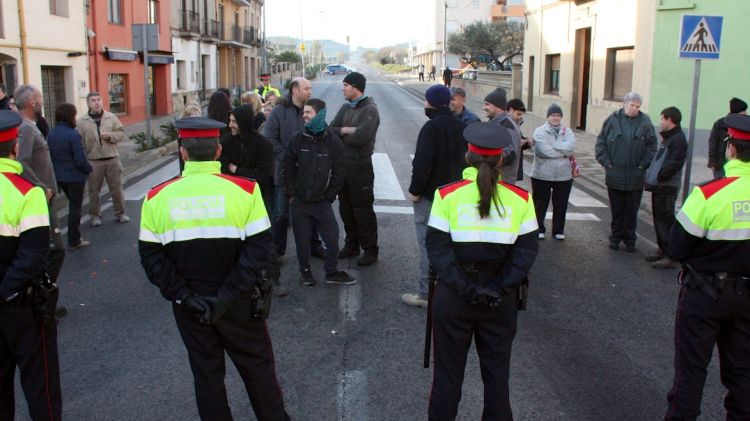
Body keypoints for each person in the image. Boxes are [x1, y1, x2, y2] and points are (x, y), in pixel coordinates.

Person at [139, 117, 291, 421]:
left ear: (182, 152)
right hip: (240, 301)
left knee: (207, 376)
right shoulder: (246, 191)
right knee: (258, 369)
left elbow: (152, 260)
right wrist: (226, 296)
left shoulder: (156, 197)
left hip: (191, 307)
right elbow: (260, 250)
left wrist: (185, 296)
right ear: (218, 150)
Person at [426, 122, 539, 420]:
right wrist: (498, 288)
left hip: (454, 298)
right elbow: (525, 253)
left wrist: (466, 288)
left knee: (447, 379)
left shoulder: (446, 195)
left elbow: (438, 251)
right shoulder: (522, 199)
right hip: (500, 302)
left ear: (468, 157)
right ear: (502, 160)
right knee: (497, 379)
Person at [664, 113, 750, 420]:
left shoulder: (707, 194)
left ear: (730, 149)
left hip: (705, 294)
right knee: (743, 378)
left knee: (691, 374)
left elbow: (677, 247)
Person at [0, 109, 62, 421]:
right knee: (41, 384)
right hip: (21, 302)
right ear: (15, 147)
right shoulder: (28, 192)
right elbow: (35, 253)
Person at [402, 85, 467, 308]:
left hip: (431, 198)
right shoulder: (461, 126)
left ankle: (426, 294)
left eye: (426, 101)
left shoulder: (431, 128)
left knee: (429, 245)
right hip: (457, 196)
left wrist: (415, 191)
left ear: (431, 103)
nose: (424, 105)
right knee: (452, 246)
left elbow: (422, 164)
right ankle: (452, 290)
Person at [283, 98, 354, 286]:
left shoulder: (333, 141)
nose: (304, 116)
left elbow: (340, 171)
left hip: (321, 202)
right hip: (299, 201)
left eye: (308, 112)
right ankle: (305, 272)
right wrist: (290, 194)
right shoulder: (297, 139)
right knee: (302, 240)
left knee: (332, 237)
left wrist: (329, 195)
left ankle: (331, 272)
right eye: (303, 112)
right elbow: (287, 167)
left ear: (320, 115)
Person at [263, 77, 325, 263]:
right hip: (284, 172)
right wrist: (288, 158)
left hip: (307, 173)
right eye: (307, 88)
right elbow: (270, 139)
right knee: (281, 214)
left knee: (312, 212)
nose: (310, 92)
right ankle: (277, 252)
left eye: (311, 88)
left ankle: (314, 246)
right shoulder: (278, 112)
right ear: (295, 91)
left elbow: (322, 135)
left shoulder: (312, 111)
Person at [15, 85, 66, 290]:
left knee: (49, 249)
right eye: (40, 98)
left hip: (46, 196)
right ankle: (44, 297)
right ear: (31, 103)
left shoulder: (30, 125)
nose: (43, 101)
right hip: (42, 197)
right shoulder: (26, 128)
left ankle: (42, 296)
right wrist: (42, 187)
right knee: (55, 249)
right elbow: (22, 163)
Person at [330, 72, 382, 266]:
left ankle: (370, 250)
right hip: (343, 166)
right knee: (346, 208)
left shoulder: (370, 109)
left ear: (356, 87)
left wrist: (343, 133)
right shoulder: (346, 107)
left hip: (360, 167)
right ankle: (351, 245)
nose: (342, 88)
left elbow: (361, 138)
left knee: (363, 209)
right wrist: (344, 130)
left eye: (345, 85)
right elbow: (330, 130)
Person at [595, 92, 657, 252]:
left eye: (637, 106)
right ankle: (615, 238)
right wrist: (607, 163)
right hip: (615, 175)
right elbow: (601, 143)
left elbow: (652, 147)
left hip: (636, 177)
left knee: (631, 211)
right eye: (632, 105)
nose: (634, 109)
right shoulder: (612, 120)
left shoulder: (645, 122)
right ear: (624, 104)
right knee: (617, 211)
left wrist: (643, 165)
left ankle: (630, 240)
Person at [77, 91, 129, 226]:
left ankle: (121, 213)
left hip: (112, 158)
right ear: (88, 103)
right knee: (94, 191)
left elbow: (122, 134)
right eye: (93, 100)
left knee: (117, 189)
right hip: (94, 161)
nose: (97, 103)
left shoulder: (111, 117)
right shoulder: (82, 122)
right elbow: (79, 142)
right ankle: (95, 216)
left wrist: (111, 136)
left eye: (98, 100)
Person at [644, 107, 687, 269]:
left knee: (666, 220)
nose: (660, 122)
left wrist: (661, 176)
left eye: (662, 119)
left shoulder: (678, 139)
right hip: (659, 185)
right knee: (658, 219)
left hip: (667, 186)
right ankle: (662, 249)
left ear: (670, 120)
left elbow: (674, 163)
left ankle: (671, 256)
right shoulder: (669, 137)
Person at [48, 103, 93, 249]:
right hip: (75, 176)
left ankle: (74, 237)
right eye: (74, 115)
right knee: (75, 208)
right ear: (70, 116)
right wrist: (88, 169)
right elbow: (80, 159)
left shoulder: (52, 132)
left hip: (60, 176)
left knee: (73, 205)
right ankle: (74, 240)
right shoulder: (73, 134)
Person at [531, 104, 576, 240]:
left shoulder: (567, 131)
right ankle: (538, 228)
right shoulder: (539, 131)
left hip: (564, 175)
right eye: (553, 115)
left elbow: (571, 148)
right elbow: (542, 150)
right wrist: (563, 153)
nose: (555, 118)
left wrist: (555, 147)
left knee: (561, 204)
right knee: (540, 203)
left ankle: (558, 230)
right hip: (542, 174)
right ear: (548, 117)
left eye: (558, 115)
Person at [483, 88, 522, 185]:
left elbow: (510, 154)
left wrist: (484, 156)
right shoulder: (497, 123)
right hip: (495, 180)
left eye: (487, 104)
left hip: (503, 182)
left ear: (499, 107)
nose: (484, 108)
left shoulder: (507, 125)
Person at [708, 97, 747, 179]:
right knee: (720, 186)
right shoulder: (720, 124)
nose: (746, 113)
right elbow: (713, 143)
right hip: (721, 163)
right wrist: (712, 162)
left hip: (738, 164)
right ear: (738, 113)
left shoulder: (745, 126)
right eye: (744, 111)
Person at [507, 99, 532, 181]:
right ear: (510, 110)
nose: (520, 117)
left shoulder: (515, 123)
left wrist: (527, 142)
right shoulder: (504, 124)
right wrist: (518, 142)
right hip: (506, 171)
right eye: (518, 114)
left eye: (521, 115)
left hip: (514, 169)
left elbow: (518, 142)